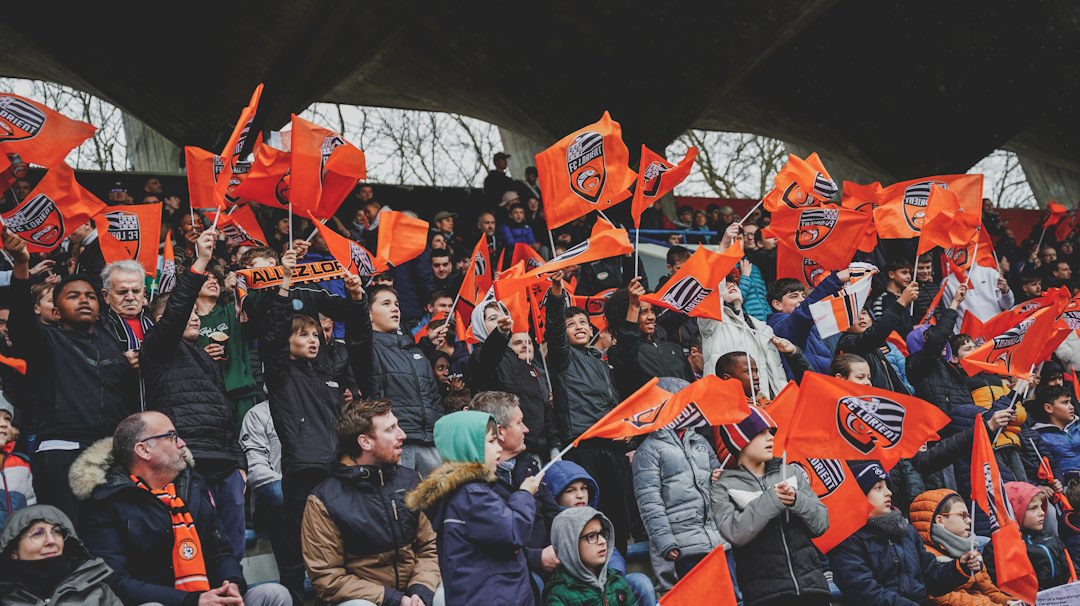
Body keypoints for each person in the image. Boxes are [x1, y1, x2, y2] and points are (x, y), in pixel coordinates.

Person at [72, 411, 291, 606]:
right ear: (143, 449)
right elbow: (115, 581)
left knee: (274, 594)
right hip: (167, 601)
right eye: (171, 436)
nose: (182, 443)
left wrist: (232, 585)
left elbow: (219, 550)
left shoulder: (191, 485)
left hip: (208, 598)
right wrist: (191, 601)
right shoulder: (106, 501)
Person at [3, 228, 139, 520]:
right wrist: (22, 265)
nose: (84, 300)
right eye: (72, 296)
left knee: (114, 537)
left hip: (110, 456)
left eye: (90, 295)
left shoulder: (113, 344)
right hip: (61, 456)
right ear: (57, 310)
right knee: (72, 537)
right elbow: (20, 323)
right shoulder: (44, 341)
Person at [139, 228, 248, 563]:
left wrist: (240, 463)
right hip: (186, 461)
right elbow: (176, 312)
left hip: (224, 463)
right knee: (198, 544)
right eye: (188, 313)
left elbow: (224, 413)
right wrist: (200, 261)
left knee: (234, 547)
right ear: (161, 322)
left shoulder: (207, 356)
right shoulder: (156, 350)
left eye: (197, 316)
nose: (196, 317)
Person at [262, 248, 362, 603]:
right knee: (298, 550)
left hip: (336, 471)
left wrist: (354, 298)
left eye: (316, 334)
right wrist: (286, 283)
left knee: (338, 547)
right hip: (304, 469)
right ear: (288, 342)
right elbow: (271, 336)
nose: (313, 339)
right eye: (304, 334)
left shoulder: (328, 375)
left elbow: (358, 341)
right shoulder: (280, 372)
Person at [301, 399, 441, 606]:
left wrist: (419, 590)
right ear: (365, 442)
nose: (402, 435)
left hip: (414, 593)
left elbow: (431, 546)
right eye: (391, 429)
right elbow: (327, 578)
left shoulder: (411, 480)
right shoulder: (323, 500)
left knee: (450, 593)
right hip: (369, 600)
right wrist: (393, 600)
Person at [405, 410, 542, 606]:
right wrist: (524, 495)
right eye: (491, 441)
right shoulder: (472, 495)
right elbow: (513, 530)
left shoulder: (461, 493)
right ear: (468, 446)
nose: (498, 448)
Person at [545, 271, 637, 551]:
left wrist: (626, 435)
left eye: (583, 322)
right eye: (571, 324)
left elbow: (614, 402)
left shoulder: (600, 361)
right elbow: (555, 332)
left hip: (612, 445)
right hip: (584, 445)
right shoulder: (562, 358)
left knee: (619, 515)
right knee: (594, 516)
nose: (579, 327)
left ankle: (618, 571)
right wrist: (557, 294)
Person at [712, 405, 829, 606]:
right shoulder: (723, 486)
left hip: (811, 586)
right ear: (741, 440)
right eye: (761, 433)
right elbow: (735, 532)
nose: (771, 438)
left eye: (771, 432)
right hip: (765, 596)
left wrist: (796, 500)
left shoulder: (790, 471)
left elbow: (821, 522)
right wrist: (772, 499)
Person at [829, 462, 981, 605]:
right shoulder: (847, 540)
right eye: (878, 487)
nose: (888, 493)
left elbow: (930, 577)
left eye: (887, 487)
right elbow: (863, 591)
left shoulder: (906, 531)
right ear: (859, 495)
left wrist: (960, 567)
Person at [468, 391, 560, 599]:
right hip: (513, 577)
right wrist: (537, 558)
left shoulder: (528, 464)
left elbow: (553, 513)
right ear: (500, 431)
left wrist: (564, 546)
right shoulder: (474, 485)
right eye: (519, 423)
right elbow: (494, 544)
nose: (526, 429)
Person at [348, 283, 445, 475]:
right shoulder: (367, 349)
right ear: (368, 314)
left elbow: (435, 401)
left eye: (397, 304)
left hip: (431, 444)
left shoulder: (416, 353)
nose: (394, 308)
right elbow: (358, 332)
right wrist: (357, 298)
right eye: (386, 304)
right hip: (395, 443)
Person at [633, 377, 725, 579]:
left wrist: (719, 478)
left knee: (733, 596)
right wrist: (664, 541)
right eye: (683, 402)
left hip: (717, 539)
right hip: (685, 545)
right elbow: (649, 502)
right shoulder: (648, 451)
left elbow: (718, 476)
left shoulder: (699, 440)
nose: (690, 408)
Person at [544, 460, 658, 605]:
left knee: (640, 582)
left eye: (583, 488)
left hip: (604, 583)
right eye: (570, 490)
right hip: (575, 590)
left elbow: (613, 557)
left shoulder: (596, 519)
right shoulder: (548, 526)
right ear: (554, 495)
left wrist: (608, 581)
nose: (580, 495)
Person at [469, 313, 556, 460]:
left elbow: (545, 413)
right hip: (510, 449)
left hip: (540, 449)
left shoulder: (535, 373)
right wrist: (501, 333)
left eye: (528, 342)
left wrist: (554, 446)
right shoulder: (486, 360)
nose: (525, 346)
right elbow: (489, 357)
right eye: (518, 343)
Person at [0, 504, 122, 606]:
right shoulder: (4, 597)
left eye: (56, 532)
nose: (51, 541)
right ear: (12, 551)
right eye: (37, 533)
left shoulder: (96, 590)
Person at [908, 489, 1013, 606]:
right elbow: (943, 598)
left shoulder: (972, 550)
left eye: (968, 515)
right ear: (940, 520)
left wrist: (1009, 601)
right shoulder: (927, 556)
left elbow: (989, 591)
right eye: (962, 515)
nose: (969, 520)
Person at [606, 278, 693, 399]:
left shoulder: (674, 348)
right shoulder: (620, 353)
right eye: (643, 312)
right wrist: (634, 306)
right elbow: (627, 350)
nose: (651, 317)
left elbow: (691, 385)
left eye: (653, 311)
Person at [544, 507, 640, 606]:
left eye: (602, 533)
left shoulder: (616, 580)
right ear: (570, 545)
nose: (602, 541)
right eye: (591, 536)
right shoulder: (559, 594)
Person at [984, 482, 1071, 590]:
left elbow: (1070, 573)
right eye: (1033, 508)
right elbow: (1008, 589)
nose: (1042, 513)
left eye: (1041, 507)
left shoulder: (1052, 539)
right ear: (1012, 511)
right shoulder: (997, 548)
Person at [836, 282, 917, 393]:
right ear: (844, 325)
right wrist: (901, 303)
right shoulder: (847, 343)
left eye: (864, 313)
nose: (861, 318)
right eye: (854, 315)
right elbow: (874, 335)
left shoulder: (878, 347)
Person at [766, 269, 851, 375]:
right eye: (794, 296)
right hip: (803, 388)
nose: (802, 300)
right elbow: (803, 314)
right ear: (777, 304)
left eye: (803, 296)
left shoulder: (812, 326)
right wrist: (835, 280)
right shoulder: (779, 326)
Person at [239, 400, 286, 584]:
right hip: (272, 499)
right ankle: (289, 576)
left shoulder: (316, 405)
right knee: (279, 493)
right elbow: (255, 468)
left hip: (310, 496)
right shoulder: (258, 414)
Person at [99, 259, 154, 364]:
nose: (130, 297)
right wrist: (121, 362)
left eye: (136, 291)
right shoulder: (97, 327)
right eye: (122, 292)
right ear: (106, 296)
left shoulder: (157, 321)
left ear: (144, 293)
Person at [1032, 386, 1080, 479]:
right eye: (1065, 402)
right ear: (1048, 408)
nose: (1071, 407)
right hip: (1065, 486)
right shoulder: (1038, 435)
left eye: (1070, 402)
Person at [0, 396, 34, 528]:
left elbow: (30, 505)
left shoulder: (21, 464)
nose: (3, 424)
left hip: (12, 543)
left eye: (7, 419)